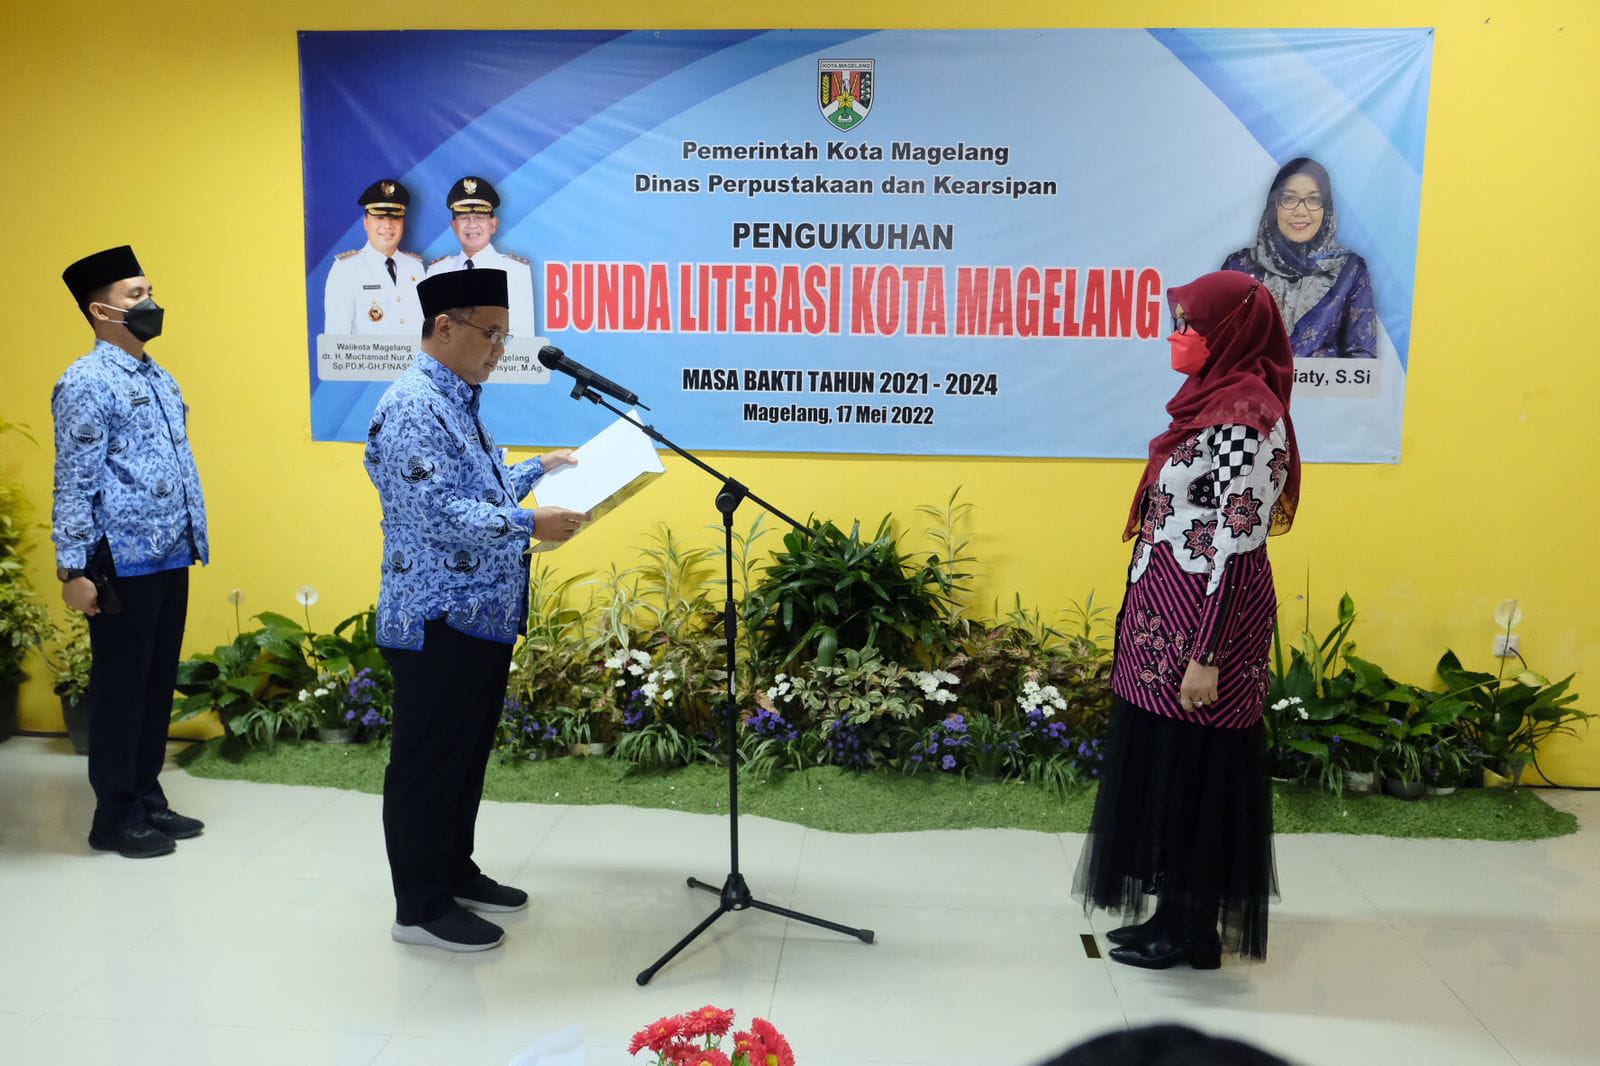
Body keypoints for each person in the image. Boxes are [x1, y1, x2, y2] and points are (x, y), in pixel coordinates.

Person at [1072, 269, 1299, 969]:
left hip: (1205, 630)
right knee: (1166, 768)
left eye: (1191, 325)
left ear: (1229, 332)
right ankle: (1169, 913)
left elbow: (1237, 545)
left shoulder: (1247, 420)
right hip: (1163, 624)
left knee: (1199, 774)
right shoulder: (1206, 404)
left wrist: (1208, 655)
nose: (1179, 336)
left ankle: (1193, 927)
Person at [364, 267, 589, 952]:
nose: (498, 349)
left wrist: (538, 469)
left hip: (479, 615)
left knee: (463, 759)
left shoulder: (457, 399)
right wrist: (531, 524)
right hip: (436, 617)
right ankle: (420, 907)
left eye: (503, 335)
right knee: (428, 764)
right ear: (445, 327)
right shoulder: (413, 405)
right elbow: (434, 511)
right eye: (491, 334)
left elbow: (474, 489)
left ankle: (453, 872)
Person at [54, 245, 209, 859]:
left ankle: (147, 797)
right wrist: (73, 568)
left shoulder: (158, 376)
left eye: (150, 292)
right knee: (121, 690)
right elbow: (74, 481)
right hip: (121, 559)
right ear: (101, 310)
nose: (151, 303)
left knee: (155, 684)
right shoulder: (85, 382)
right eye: (136, 295)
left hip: (169, 551)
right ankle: (113, 817)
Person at [1221, 156, 1377, 359]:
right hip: (1254, 381)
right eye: (1289, 199)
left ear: (1326, 208)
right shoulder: (1238, 268)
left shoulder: (1350, 270)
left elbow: (1362, 357)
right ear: (1274, 206)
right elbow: (1221, 348)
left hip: (1324, 381)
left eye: (1313, 200)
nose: (1301, 211)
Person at [426, 175, 537, 338]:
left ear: (493, 225)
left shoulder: (515, 270)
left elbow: (522, 336)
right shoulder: (437, 271)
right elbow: (428, 335)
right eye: (464, 217)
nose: (472, 224)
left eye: (479, 217)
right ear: (454, 226)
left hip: (498, 354)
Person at [323, 178, 426, 335]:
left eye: (395, 217)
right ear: (365, 222)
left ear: (403, 223)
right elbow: (336, 338)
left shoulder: (416, 268)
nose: (388, 225)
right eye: (379, 217)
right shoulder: (346, 269)